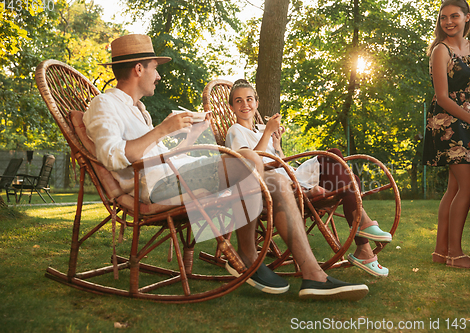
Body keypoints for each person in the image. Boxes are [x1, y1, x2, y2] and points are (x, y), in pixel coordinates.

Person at [83, 34, 369, 301]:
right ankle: (247, 256)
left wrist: (191, 136)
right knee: (251, 160)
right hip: (158, 189)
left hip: (176, 175)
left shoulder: (137, 110)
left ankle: (314, 276)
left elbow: (156, 155)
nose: (158, 75)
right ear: (138, 69)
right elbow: (113, 156)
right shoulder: (104, 104)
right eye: (155, 68)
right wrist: (162, 130)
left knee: (278, 183)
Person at [226, 79, 393, 278]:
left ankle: (362, 240)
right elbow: (252, 164)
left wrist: (276, 142)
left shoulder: (258, 131)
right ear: (232, 107)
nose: (245, 105)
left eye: (249, 99)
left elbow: (279, 159)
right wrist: (269, 131)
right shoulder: (235, 131)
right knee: (339, 167)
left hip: (288, 174)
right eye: (238, 101)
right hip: (274, 186)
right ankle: (363, 238)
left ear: (257, 103)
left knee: (338, 160)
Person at [423, 0, 470, 270]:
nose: (448, 22)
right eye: (443, 18)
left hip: (467, 116)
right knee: (469, 185)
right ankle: (456, 254)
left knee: (455, 187)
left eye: (454, 16)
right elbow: (442, 97)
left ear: (467, 17)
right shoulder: (439, 50)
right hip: (447, 121)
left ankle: (441, 252)